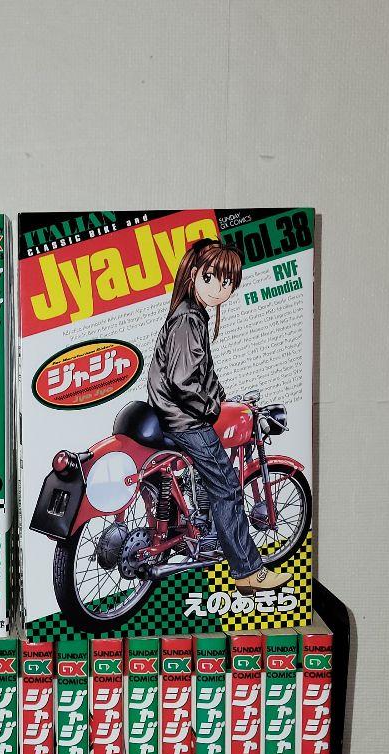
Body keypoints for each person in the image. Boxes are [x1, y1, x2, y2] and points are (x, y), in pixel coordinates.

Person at [147, 237, 291, 593]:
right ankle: (248, 571)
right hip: (183, 418)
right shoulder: (188, 320)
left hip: (173, 414)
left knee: (213, 480)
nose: (219, 288)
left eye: (228, 282)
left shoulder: (193, 314)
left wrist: (223, 397)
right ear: (193, 274)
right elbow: (183, 381)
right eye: (211, 278)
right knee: (227, 487)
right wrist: (212, 409)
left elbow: (201, 371)